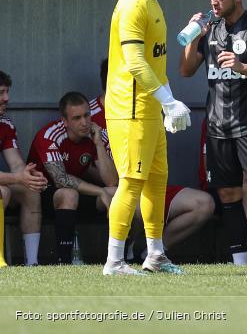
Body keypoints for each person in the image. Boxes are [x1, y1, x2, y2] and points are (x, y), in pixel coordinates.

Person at [103, 0, 190, 276]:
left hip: (150, 107)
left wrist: (168, 103)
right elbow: (135, 62)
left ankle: (155, 254)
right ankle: (114, 261)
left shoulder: (152, 3)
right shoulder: (132, 5)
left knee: (156, 179)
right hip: (131, 108)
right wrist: (167, 100)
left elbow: (155, 65)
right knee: (131, 181)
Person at [179, 0, 247, 265]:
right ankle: (239, 261)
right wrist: (193, 37)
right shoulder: (210, 29)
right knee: (228, 194)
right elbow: (186, 70)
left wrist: (242, 67)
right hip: (217, 126)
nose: (214, 2)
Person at [93, 62, 214, 258]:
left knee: (203, 203)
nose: (145, 83)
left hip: (151, 186)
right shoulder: (89, 117)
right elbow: (109, 180)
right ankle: (119, 256)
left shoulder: (149, 106)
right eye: (139, 77)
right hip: (117, 189)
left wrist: (170, 105)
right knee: (128, 197)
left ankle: (155, 253)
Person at [28, 92, 118, 263]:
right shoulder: (50, 135)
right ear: (65, 121)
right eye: (77, 118)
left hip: (78, 191)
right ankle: (64, 260)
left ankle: (121, 257)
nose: (84, 122)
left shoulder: (95, 134)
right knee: (68, 193)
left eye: (87, 115)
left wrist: (99, 144)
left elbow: (111, 181)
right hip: (43, 195)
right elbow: (60, 179)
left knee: (116, 193)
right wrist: (100, 192)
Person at [0, 70, 47, 267]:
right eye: (1, 93)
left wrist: (28, 176)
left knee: (30, 190)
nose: (6, 98)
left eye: (7, 92)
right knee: (2, 192)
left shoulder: (5, 124)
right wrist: (18, 178)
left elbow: (16, 163)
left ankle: (32, 263)